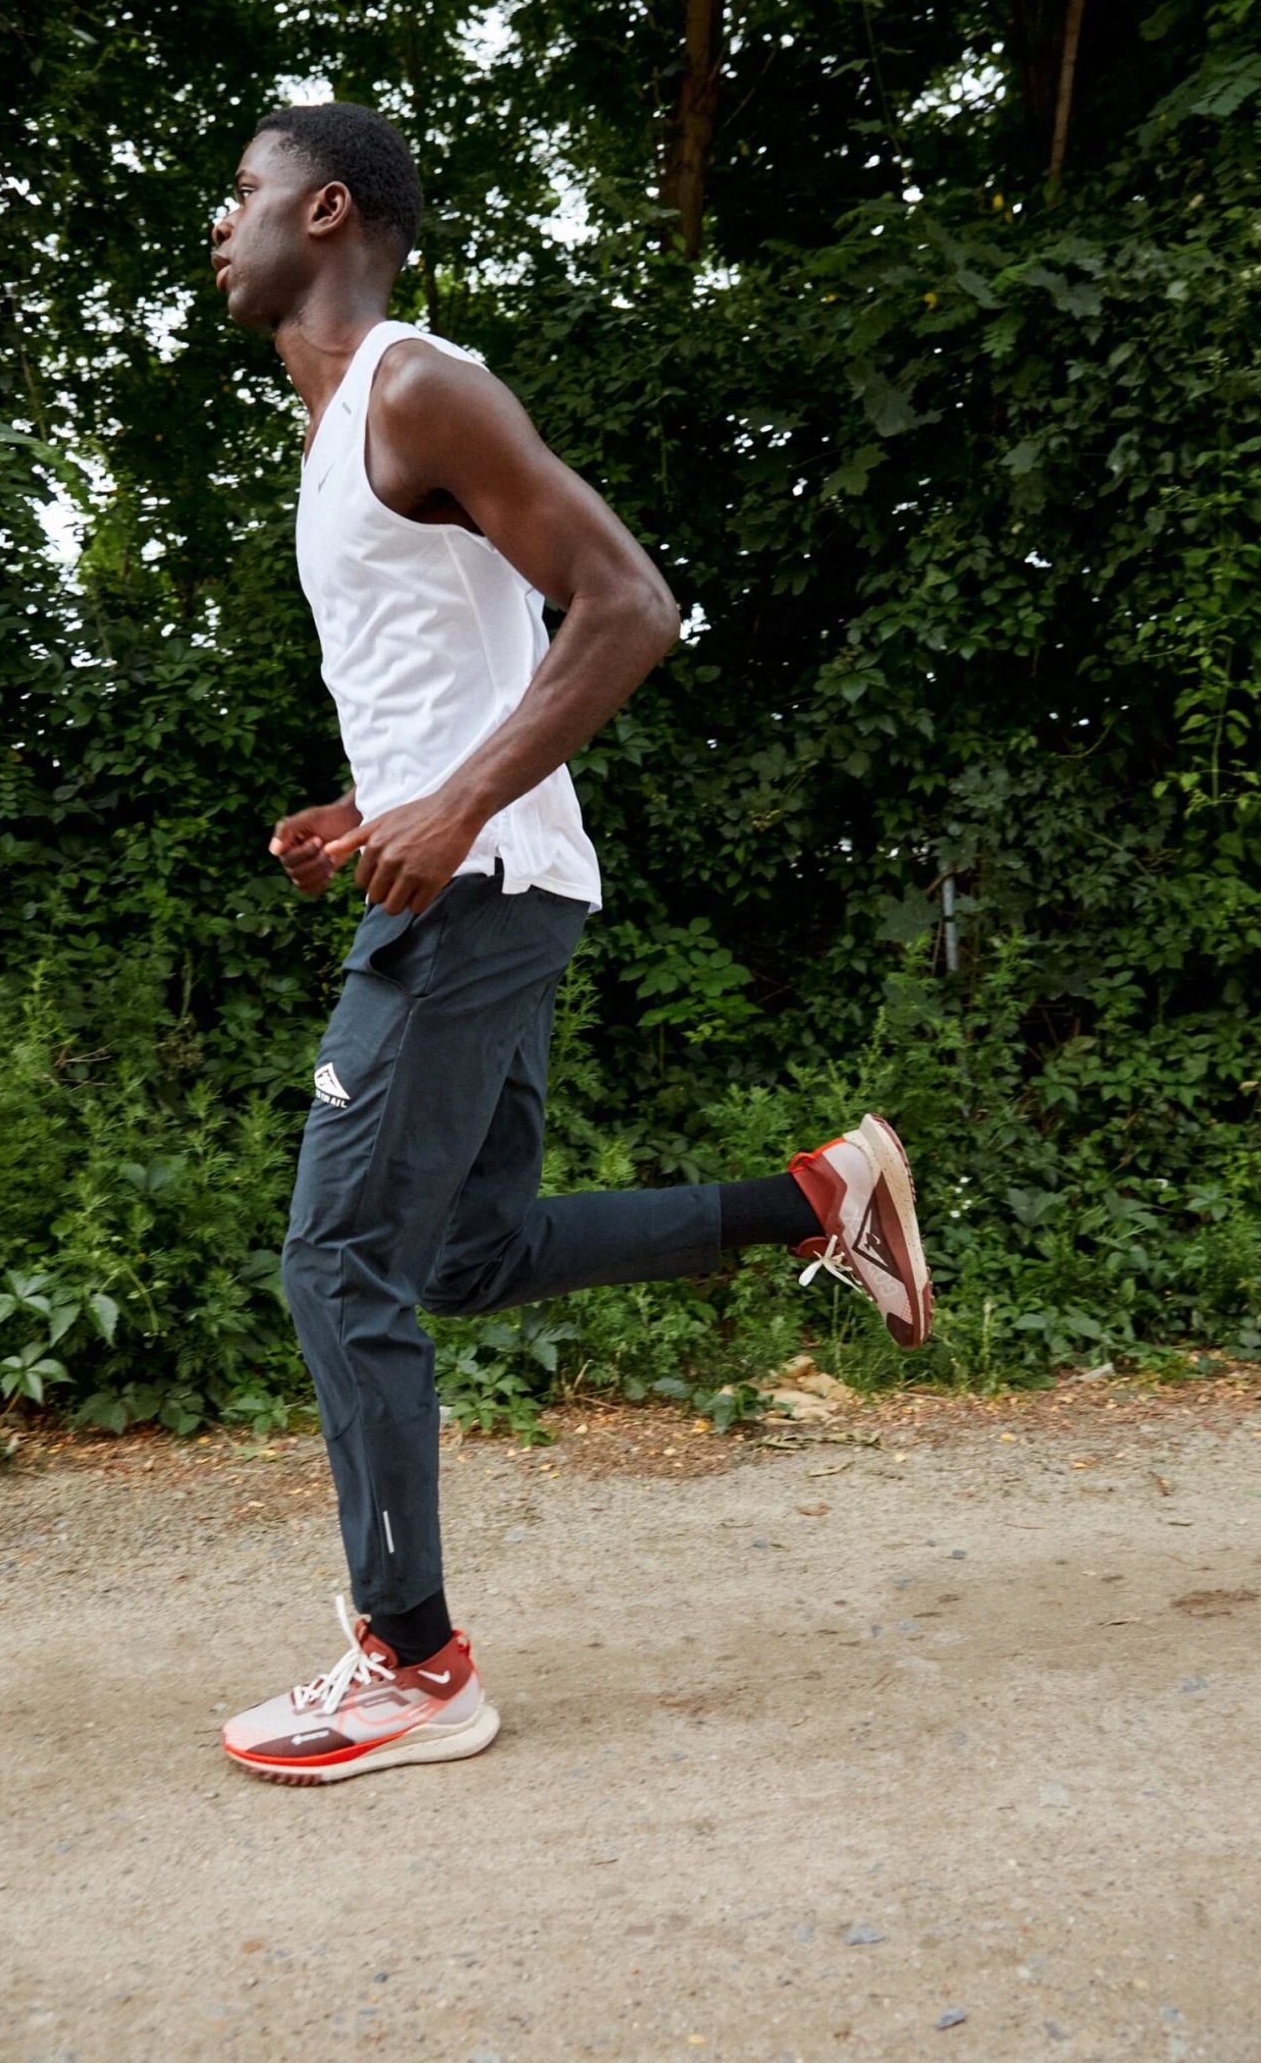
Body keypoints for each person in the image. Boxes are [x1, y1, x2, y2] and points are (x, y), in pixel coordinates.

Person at [210, 102, 933, 1786]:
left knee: (338, 1262)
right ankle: (817, 1197)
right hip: (484, 876)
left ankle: (414, 1665)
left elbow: (631, 603)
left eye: (243, 192)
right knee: (463, 1254)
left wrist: (455, 810)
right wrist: (373, 804)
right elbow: (459, 674)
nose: (221, 224)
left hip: (478, 892)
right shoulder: (339, 434)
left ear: (328, 211)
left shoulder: (416, 383)